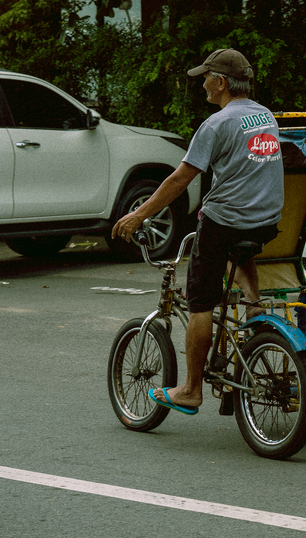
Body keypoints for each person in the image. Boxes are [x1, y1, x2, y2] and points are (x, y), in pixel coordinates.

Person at [111, 48, 284, 416]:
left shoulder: (217, 124)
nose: (202, 83)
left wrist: (139, 214)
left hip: (227, 220)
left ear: (220, 82)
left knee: (201, 297)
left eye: (206, 77)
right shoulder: (265, 116)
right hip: (265, 219)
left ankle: (190, 390)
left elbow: (180, 179)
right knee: (237, 249)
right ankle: (253, 306)